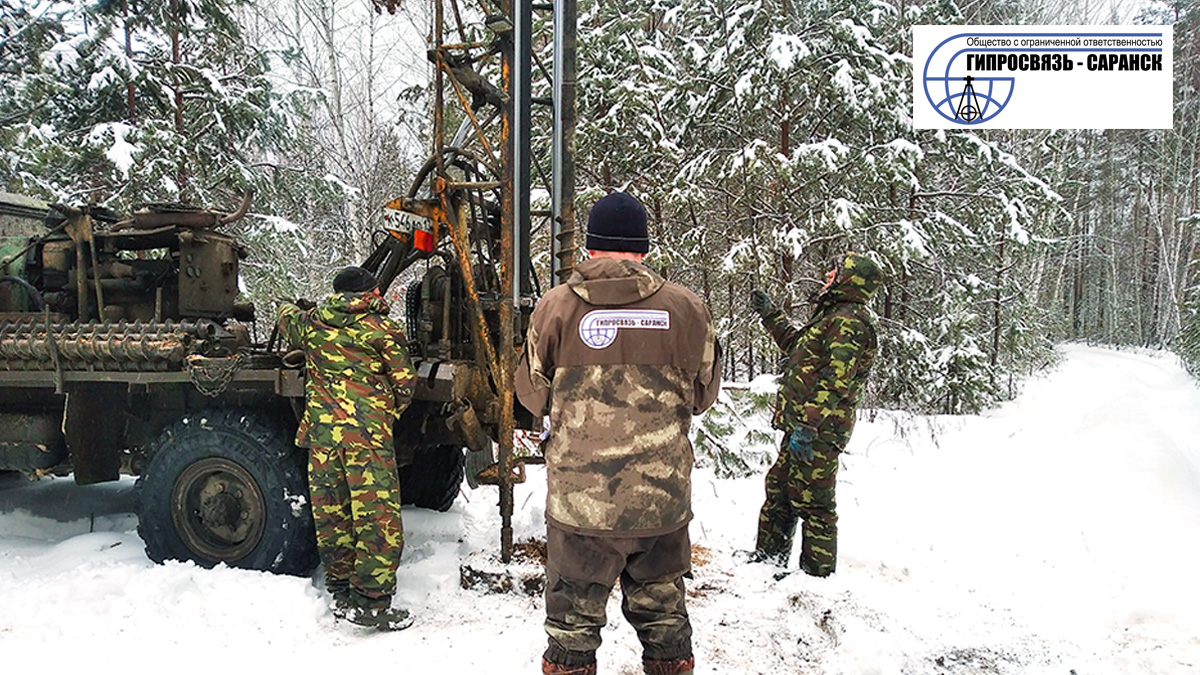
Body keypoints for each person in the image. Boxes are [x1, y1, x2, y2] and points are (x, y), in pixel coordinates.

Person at [516, 192, 722, 675]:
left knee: (571, 636)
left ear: (589, 248)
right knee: (667, 627)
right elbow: (703, 393)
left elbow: (531, 394)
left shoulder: (555, 308)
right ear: (644, 249)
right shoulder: (687, 308)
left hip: (580, 508)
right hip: (661, 503)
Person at [277, 266, 416, 631]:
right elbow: (405, 383)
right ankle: (371, 603)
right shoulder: (383, 329)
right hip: (366, 438)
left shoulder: (311, 324)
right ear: (370, 292)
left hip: (323, 437)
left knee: (332, 515)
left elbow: (285, 317)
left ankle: (339, 589)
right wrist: (385, 412)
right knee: (376, 518)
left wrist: (287, 306)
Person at [748, 252, 881, 577]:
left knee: (815, 504)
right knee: (779, 493)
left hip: (818, 432)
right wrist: (769, 314)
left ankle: (816, 578)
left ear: (851, 281)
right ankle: (768, 561)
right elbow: (795, 347)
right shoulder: (830, 317)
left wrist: (808, 425)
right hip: (799, 427)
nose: (828, 277)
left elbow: (836, 382)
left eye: (835, 273)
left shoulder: (849, 323)